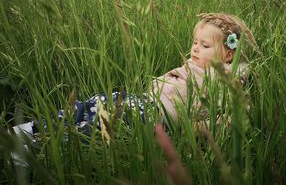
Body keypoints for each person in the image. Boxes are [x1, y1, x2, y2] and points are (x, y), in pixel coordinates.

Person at [10, 12, 258, 148]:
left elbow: (233, 114)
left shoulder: (226, 78)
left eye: (204, 45)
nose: (195, 49)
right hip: (139, 100)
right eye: (194, 42)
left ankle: (32, 147)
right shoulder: (194, 65)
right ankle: (25, 130)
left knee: (94, 130)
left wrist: (200, 128)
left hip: (153, 116)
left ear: (228, 54)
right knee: (87, 107)